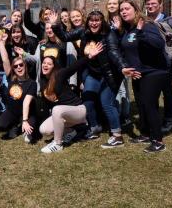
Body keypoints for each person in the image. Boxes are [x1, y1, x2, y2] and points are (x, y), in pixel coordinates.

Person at [50, 11, 126, 147]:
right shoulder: (83, 31)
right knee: (87, 100)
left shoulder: (109, 34)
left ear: (102, 22)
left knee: (106, 102)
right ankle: (95, 127)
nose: (94, 23)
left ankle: (117, 135)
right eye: (91, 20)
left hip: (109, 75)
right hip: (93, 73)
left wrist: (123, 67)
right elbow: (65, 36)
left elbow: (114, 52)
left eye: (97, 20)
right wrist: (55, 24)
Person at [118, 0, 170, 153]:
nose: (123, 12)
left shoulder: (146, 25)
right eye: (121, 10)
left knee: (149, 105)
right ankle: (146, 133)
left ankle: (158, 140)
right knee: (141, 104)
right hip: (137, 73)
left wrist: (141, 33)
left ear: (135, 9)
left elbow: (159, 44)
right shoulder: (128, 29)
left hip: (153, 72)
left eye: (127, 8)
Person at [39, 43, 103, 153]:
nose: (45, 65)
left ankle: (57, 144)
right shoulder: (43, 82)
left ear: (54, 67)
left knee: (57, 110)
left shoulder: (59, 74)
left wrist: (89, 56)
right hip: (64, 114)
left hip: (79, 110)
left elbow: (74, 66)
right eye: (44, 63)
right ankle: (71, 131)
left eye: (49, 64)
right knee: (44, 129)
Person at [144, 0, 172, 133]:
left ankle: (168, 119)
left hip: (165, 64)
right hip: (148, 65)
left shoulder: (170, 21)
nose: (150, 6)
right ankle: (153, 118)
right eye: (148, 4)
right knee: (151, 93)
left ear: (160, 4)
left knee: (167, 93)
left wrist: (166, 60)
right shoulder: (144, 21)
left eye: (153, 3)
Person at [0, 32, 38, 142]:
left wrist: (25, 120)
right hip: (12, 112)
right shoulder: (11, 78)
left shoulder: (32, 83)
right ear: (13, 69)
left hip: (27, 113)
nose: (18, 67)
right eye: (15, 66)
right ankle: (14, 126)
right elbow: (5, 59)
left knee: (30, 136)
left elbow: (26, 102)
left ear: (25, 66)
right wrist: (0, 42)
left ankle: (23, 125)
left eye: (21, 65)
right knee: (0, 126)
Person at [106, 0, 132, 127]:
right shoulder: (106, 21)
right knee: (114, 89)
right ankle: (117, 113)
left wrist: (119, 29)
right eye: (109, 3)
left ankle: (126, 116)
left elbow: (126, 39)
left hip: (121, 60)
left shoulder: (123, 20)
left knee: (123, 90)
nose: (111, 5)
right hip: (110, 60)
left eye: (114, 3)